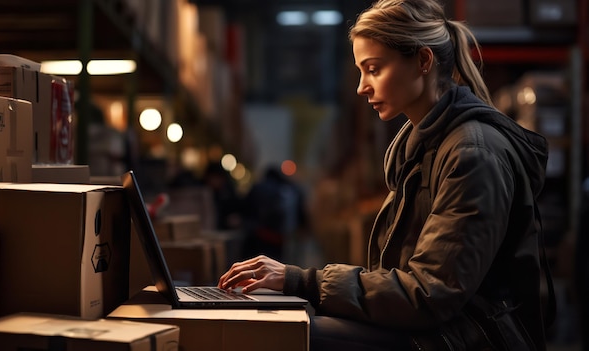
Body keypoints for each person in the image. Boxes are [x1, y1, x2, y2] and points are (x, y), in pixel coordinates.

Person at [218, 0, 551, 350]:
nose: (362, 86)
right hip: (441, 328)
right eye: (360, 71)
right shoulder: (423, 149)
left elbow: (430, 293)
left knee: (285, 336)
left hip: (470, 338)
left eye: (373, 69)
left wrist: (303, 282)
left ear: (423, 61)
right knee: (278, 321)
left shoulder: (472, 154)